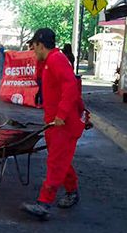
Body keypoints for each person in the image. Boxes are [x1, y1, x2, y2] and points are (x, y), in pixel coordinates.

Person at [21, 28, 86, 220]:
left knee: (56, 162)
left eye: (34, 46)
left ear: (41, 45)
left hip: (62, 124)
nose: (33, 50)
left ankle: (44, 204)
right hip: (55, 123)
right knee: (62, 160)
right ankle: (72, 191)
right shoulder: (50, 61)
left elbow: (71, 87)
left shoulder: (56, 60)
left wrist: (62, 115)